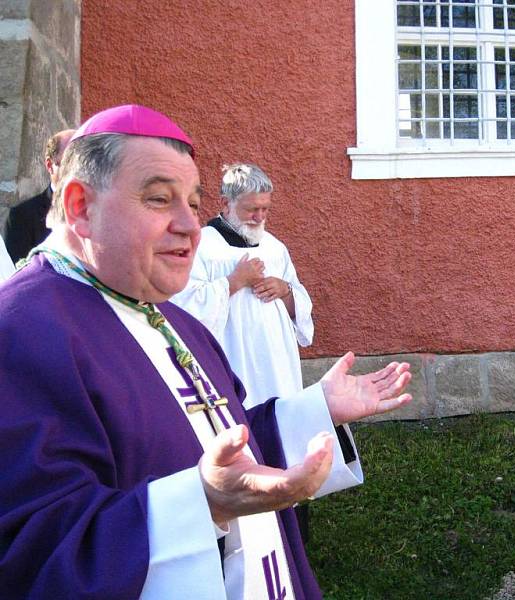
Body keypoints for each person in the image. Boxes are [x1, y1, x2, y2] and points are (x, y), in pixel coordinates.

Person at [0, 105, 412, 599]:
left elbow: (223, 443)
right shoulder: (21, 331)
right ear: (81, 206)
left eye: (193, 204)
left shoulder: (175, 321)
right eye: (159, 199)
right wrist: (202, 504)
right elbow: (31, 554)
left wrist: (313, 412)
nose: (190, 226)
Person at [173, 163, 313, 408]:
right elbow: (183, 306)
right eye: (251, 209)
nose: (259, 217)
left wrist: (285, 290)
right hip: (232, 356)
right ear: (225, 203)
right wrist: (234, 282)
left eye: (265, 209)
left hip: (276, 360)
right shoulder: (202, 246)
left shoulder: (274, 247)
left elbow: (299, 307)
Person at [4, 128, 75, 262]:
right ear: (49, 165)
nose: (77, 171)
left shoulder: (97, 213)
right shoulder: (22, 216)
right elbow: (19, 278)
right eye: (69, 163)